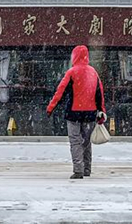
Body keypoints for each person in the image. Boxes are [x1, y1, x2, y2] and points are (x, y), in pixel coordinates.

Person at [47, 45, 107, 179]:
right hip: (90, 113)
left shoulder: (72, 72)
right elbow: (99, 94)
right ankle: (87, 169)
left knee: (75, 141)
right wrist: (101, 110)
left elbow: (60, 92)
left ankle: (78, 170)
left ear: (74, 57)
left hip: (73, 112)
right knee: (87, 142)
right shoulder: (93, 72)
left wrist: (51, 107)